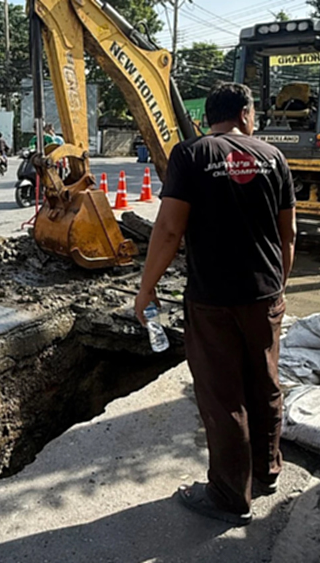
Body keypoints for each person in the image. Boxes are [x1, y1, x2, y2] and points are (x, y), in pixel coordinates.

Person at [133, 83, 296, 526]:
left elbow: (168, 230)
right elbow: (288, 234)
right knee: (264, 383)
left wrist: (146, 289)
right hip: (264, 295)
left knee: (223, 396)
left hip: (212, 299)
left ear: (210, 119)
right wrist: (278, 286)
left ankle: (229, 496)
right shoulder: (274, 157)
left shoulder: (191, 155)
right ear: (246, 114)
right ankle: (267, 471)